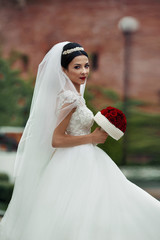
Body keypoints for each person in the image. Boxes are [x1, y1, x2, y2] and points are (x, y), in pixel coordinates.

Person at [0, 41, 160, 240]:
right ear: (63, 70)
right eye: (77, 67)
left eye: (86, 66)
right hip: (73, 161)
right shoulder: (69, 98)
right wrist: (92, 137)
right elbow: (56, 139)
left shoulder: (75, 95)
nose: (84, 71)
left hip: (86, 156)